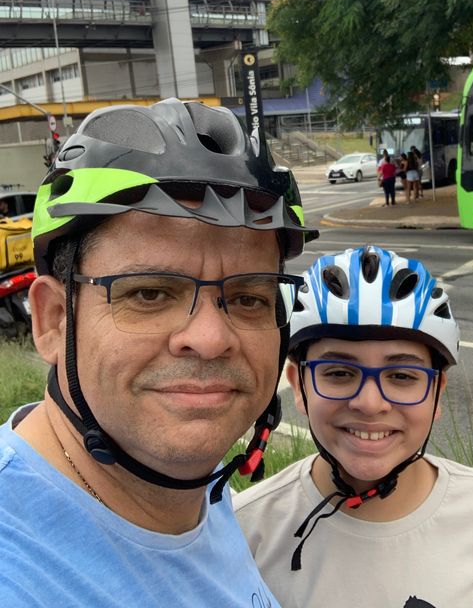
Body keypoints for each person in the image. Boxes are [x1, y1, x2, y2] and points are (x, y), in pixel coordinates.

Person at [0, 97, 316, 607]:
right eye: (149, 293)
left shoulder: (193, 489)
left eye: (248, 297)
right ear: (54, 320)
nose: (211, 338)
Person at [234, 246, 473, 608]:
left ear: (436, 393)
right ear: (298, 384)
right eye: (339, 373)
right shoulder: (248, 529)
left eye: (402, 375)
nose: (370, 404)